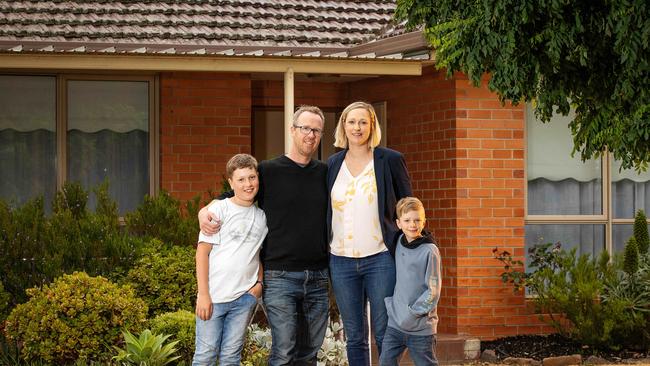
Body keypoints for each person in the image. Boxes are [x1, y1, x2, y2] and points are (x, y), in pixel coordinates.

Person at [199, 105, 330, 366]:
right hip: (280, 277)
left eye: (316, 130)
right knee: (283, 352)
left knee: (310, 354)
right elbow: (234, 196)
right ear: (292, 131)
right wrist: (204, 211)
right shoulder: (269, 171)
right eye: (305, 128)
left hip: (318, 276)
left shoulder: (325, 173)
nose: (310, 135)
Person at [326, 101, 412, 366]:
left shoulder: (390, 160)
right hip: (340, 260)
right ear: (343, 125)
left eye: (363, 122)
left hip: (381, 258)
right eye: (351, 121)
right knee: (354, 336)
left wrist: (417, 242)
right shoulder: (332, 163)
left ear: (372, 126)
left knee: (385, 333)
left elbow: (407, 204)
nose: (357, 127)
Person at [192, 154, 268, 366]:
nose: (248, 184)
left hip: (243, 299)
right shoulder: (219, 209)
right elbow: (202, 253)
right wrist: (204, 294)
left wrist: (259, 285)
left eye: (252, 177)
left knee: (231, 357)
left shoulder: (262, 217)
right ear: (231, 182)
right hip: (214, 298)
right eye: (241, 179)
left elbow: (257, 252)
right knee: (205, 356)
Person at [379, 197, 441, 366]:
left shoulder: (430, 250)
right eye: (407, 220)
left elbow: (433, 291)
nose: (412, 225)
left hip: (421, 328)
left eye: (417, 220)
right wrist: (393, 307)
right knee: (385, 362)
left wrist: (413, 313)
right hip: (395, 324)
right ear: (398, 223)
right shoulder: (398, 241)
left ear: (424, 222)